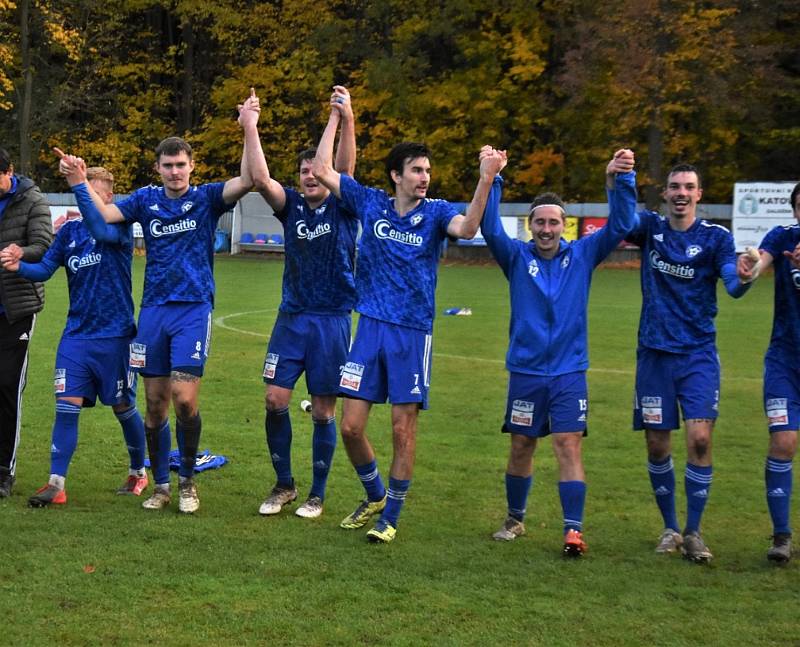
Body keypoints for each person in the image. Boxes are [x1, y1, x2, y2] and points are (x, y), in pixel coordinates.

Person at [311, 97, 506, 543]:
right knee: (351, 426)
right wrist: (339, 118)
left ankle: (391, 516)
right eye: (417, 170)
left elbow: (469, 229)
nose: (424, 178)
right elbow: (323, 170)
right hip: (369, 329)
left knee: (403, 428)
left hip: (412, 333)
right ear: (397, 175)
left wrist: (485, 179)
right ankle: (375, 492)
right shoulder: (372, 203)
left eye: (428, 171)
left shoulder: (436, 212)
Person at [56, 94, 256, 513]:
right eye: (168, 166)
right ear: (158, 169)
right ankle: (161, 486)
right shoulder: (145, 201)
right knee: (153, 405)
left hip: (192, 308)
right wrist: (77, 181)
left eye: (181, 164)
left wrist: (249, 127)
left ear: (191, 166)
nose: (175, 172)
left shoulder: (206, 198)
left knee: (185, 398)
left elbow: (250, 179)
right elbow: (102, 219)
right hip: (152, 313)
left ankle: (187, 484)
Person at [484, 149, 637, 557]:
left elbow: (623, 222)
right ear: (530, 226)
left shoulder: (583, 255)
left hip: (570, 372)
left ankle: (573, 530)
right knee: (521, 445)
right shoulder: (515, 257)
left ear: (563, 225)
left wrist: (620, 180)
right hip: (527, 371)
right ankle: (515, 519)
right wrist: (495, 178)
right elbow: (489, 226)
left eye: (554, 222)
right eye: (540, 222)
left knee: (568, 444)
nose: (547, 229)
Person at [240, 86, 357, 519]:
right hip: (291, 319)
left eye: (316, 171)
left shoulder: (344, 206)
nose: (311, 176)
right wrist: (250, 127)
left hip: (331, 321)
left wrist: (339, 118)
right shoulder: (290, 207)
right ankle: (284, 484)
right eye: (304, 171)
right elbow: (259, 178)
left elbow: (340, 167)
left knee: (324, 410)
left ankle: (317, 493)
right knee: (274, 399)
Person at [0, 165, 148, 506]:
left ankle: (138, 472)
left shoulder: (119, 227)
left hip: (116, 337)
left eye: (94, 193)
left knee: (123, 407)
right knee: (66, 406)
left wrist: (79, 183)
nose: (88, 200)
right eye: (85, 193)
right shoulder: (69, 233)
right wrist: (18, 266)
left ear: (108, 198)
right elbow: (45, 269)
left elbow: (102, 227)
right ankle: (56, 483)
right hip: (77, 336)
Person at [627, 163, 750, 563]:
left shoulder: (716, 238)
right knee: (657, 443)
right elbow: (618, 219)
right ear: (664, 194)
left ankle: (694, 531)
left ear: (700, 194)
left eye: (689, 187)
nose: (681, 192)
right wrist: (620, 179)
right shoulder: (650, 229)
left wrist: (745, 277)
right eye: (675, 186)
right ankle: (669, 527)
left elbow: (731, 285)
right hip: (654, 354)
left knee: (700, 439)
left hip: (697, 354)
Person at [737, 181, 800, 564]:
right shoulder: (783, 236)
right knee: (784, 442)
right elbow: (762, 259)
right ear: (794, 209)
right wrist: (751, 267)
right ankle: (781, 536)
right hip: (784, 361)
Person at [0, 148, 52, 497]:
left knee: (6, 385)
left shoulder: (33, 200)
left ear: (10, 171)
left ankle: (5, 470)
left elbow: (44, 243)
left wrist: (20, 252)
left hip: (15, 309)